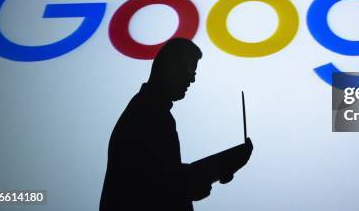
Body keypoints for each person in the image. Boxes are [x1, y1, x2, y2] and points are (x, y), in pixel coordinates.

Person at [100, 38, 253, 211]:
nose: (192, 79)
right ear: (171, 66)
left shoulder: (145, 109)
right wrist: (220, 167)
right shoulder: (150, 114)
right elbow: (165, 187)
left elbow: (161, 177)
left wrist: (216, 169)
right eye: (190, 70)